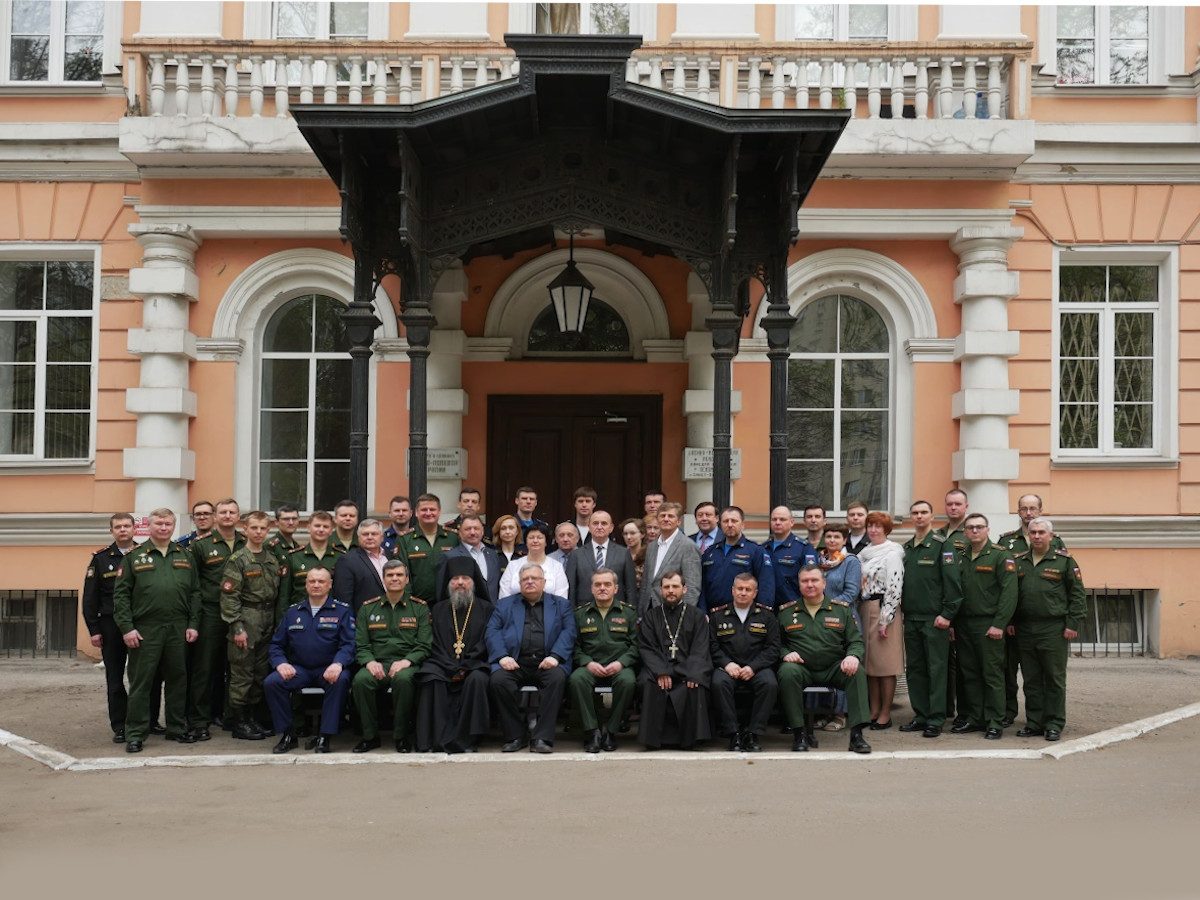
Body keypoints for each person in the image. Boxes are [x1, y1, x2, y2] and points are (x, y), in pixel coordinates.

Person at [112, 508, 199, 753]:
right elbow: (121, 596)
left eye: (168, 523)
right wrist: (127, 628)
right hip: (145, 628)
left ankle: (176, 728)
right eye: (159, 523)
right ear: (149, 527)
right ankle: (136, 733)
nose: (163, 527)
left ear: (173, 526)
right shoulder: (134, 557)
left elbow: (195, 593)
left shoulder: (185, 555)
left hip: (178, 627)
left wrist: (193, 624)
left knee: (178, 680)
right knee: (141, 682)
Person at [777, 566, 872, 754]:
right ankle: (799, 734)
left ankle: (857, 736)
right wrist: (784, 653)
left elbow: (856, 641)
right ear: (799, 584)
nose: (810, 585)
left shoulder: (841, 611)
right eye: (805, 581)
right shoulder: (786, 612)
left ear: (824, 583)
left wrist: (852, 656)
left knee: (857, 671)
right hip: (801, 668)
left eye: (814, 580)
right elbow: (775, 644)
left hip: (834, 667)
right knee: (786, 672)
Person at [486, 563, 576, 753]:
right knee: (498, 680)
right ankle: (516, 735)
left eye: (534, 578)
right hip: (515, 661)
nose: (529, 582)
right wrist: (502, 657)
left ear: (544, 582)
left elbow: (569, 632)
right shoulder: (504, 605)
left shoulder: (561, 605)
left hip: (547, 661)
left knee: (557, 678)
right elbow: (492, 631)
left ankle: (542, 737)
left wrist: (556, 656)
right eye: (525, 579)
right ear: (519, 583)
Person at [265, 567, 355, 754]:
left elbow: (349, 644)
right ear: (306, 585)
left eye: (321, 581)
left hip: (329, 668)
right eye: (312, 581)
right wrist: (281, 663)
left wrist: (338, 664)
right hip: (300, 669)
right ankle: (288, 734)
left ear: (330, 585)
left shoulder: (342, 611)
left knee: (341, 680)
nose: (316, 585)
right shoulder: (292, 612)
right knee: (272, 682)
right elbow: (276, 645)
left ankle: (325, 735)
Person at [998, 494, 1068, 728]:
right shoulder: (1007, 541)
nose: (1028, 513)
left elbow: (1066, 584)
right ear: (1018, 511)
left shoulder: (1056, 542)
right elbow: (1005, 585)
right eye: (1024, 509)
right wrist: (1006, 618)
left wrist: (1070, 622)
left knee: (1046, 675)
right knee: (1011, 670)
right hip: (1016, 621)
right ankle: (1009, 712)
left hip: (1047, 622)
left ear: (1040, 510)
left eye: (1033, 509)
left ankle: (1050, 719)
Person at [1013, 517, 1085, 741]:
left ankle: (1054, 723)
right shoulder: (1020, 561)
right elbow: (1012, 595)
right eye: (1033, 532)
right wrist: (1011, 622)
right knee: (1031, 678)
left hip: (1053, 628)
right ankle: (1035, 722)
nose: (1036, 536)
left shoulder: (1064, 561)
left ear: (1051, 536)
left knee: (1053, 678)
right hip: (1025, 628)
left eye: (1041, 532)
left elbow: (1077, 595)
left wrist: (1072, 623)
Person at [351, 559, 432, 753]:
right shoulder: (368, 608)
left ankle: (401, 736)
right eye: (390, 575)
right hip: (377, 663)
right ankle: (370, 736)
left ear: (406, 579)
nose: (394, 578)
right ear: (383, 579)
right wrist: (369, 662)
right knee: (360, 681)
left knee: (403, 680)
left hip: (407, 664)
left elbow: (424, 645)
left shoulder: (419, 608)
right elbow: (361, 644)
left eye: (399, 575)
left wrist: (406, 661)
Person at [416, 558, 494, 753]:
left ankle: (469, 739)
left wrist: (466, 665)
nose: (460, 582)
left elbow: (488, 641)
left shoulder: (486, 609)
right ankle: (435, 739)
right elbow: (433, 642)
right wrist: (450, 665)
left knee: (477, 679)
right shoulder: (438, 608)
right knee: (431, 677)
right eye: (455, 578)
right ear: (448, 582)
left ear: (473, 582)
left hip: (474, 664)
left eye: (465, 578)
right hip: (443, 664)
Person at [952, 513, 1018, 740]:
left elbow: (1009, 593)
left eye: (979, 527)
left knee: (992, 675)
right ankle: (975, 717)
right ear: (965, 532)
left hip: (989, 624)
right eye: (970, 528)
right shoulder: (961, 556)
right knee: (969, 673)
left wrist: (1000, 624)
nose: (974, 531)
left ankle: (994, 721)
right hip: (964, 624)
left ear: (987, 530)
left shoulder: (1000, 556)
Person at [899, 500, 962, 738]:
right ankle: (921, 715)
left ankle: (936, 718)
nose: (919, 516)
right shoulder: (905, 548)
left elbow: (953, 585)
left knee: (936, 669)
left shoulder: (942, 546)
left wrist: (947, 615)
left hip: (935, 620)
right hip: (911, 618)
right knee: (915, 669)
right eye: (914, 512)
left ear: (931, 516)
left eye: (924, 512)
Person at [219, 510, 282, 741]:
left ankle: (252, 717)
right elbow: (229, 597)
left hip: (267, 618)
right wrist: (237, 627)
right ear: (245, 529)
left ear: (268, 530)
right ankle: (238, 722)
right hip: (247, 618)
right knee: (242, 673)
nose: (258, 532)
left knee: (259, 673)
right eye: (254, 528)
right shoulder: (238, 560)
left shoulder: (271, 558)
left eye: (263, 528)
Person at [187, 497, 244, 735]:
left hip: (239, 612)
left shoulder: (246, 542)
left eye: (232, 512)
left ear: (238, 516)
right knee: (205, 667)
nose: (228, 516)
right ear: (215, 516)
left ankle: (227, 715)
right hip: (211, 611)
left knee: (235, 667)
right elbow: (193, 585)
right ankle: (199, 721)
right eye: (223, 512)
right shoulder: (201, 545)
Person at [637, 570, 711, 750]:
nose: (671, 590)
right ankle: (653, 739)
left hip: (688, 668)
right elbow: (646, 647)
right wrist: (661, 671)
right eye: (666, 587)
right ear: (660, 590)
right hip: (658, 668)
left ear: (684, 589)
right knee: (648, 682)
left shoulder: (697, 616)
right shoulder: (651, 616)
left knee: (695, 683)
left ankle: (690, 739)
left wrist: (691, 673)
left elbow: (700, 649)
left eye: (675, 586)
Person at [82, 513, 139, 743]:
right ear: (112, 531)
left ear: (135, 529)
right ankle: (120, 726)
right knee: (115, 679)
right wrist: (94, 629)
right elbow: (89, 598)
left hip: (139, 624)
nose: (123, 530)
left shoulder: (144, 554)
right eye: (118, 527)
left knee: (143, 678)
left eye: (127, 526)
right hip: (110, 626)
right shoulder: (101, 559)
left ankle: (146, 721)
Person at [569, 568, 639, 753]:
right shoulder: (580, 614)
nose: (602, 588)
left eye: (607, 584)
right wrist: (587, 663)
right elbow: (574, 647)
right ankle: (592, 731)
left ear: (616, 588)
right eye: (597, 584)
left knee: (628, 681)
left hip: (619, 666)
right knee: (577, 679)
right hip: (590, 666)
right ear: (591, 588)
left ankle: (611, 731)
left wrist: (621, 663)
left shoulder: (629, 613)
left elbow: (636, 645)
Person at [709, 573, 781, 752]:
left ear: (755, 593)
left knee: (770, 683)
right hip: (727, 667)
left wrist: (753, 667)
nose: (743, 592)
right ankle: (733, 734)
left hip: (757, 667)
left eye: (748, 589)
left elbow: (773, 648)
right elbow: (711, 646)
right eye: (739, 589)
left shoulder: (767, 616)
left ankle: (753, 734)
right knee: (718, 683)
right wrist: (727, 664)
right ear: (732, 590)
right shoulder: (718, 616)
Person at [858, 511, 906, 729]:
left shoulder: (892, 553)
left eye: (878, 526)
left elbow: (895, 588)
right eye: (870, 526)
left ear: (886, 529)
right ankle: (873, 709)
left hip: (885, 610)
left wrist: (886, 619)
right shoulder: (864, 553)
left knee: (885, 665)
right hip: (865, 608)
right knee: (870, 664)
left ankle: (886, 712)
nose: (873, 530)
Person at [700, 505, 774, 612]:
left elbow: (766, 585)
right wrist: (702, 611)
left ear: (743, 525)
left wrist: (762, 613)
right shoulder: (710, 552)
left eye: (734, 521)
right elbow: (702, 585)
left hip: (744, 614)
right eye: (726, 521)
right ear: (720, 524)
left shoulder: (756, 551)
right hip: (713, 615)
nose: (729, 525)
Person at [941, 488, 971, 729]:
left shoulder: (971, 532)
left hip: (967, 606)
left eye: (958, 504)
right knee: (946, 661)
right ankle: (946, 707)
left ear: (966, 506)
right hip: (944, 606)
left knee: (965, 663)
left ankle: (966, 711)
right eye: (949, 504)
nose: (953, 508)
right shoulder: (940, 533)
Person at [395, 493, 460, 604]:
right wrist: (409, 602)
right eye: (424, 509)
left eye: (432, 509)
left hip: (448, 602)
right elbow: (402, 574)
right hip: (417, 604)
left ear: (439, 512)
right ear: (416, 512)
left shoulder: (453, 537)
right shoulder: (405, 539)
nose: (428, 513)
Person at [565, 509, 638, 608]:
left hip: (617, 612)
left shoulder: (623, 553)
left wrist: (631, 613)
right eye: (595, 523)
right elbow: (571, 589)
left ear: (611, 528)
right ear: (589, 527)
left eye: (604, 523)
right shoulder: (576, 555)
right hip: (585, 612)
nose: (599, 527)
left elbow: (631, 588)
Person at [639, 502, 701, 613]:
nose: (666, 519)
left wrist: (683, 614)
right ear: (657, 519)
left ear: (678, 521)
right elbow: (646, 582)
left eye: (671, 516)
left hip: (674, 610)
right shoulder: (652, 546)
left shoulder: (688, 546)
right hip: (649, 611)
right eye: (662, 516)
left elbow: (692, 586)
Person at [279, 510, 343, 616]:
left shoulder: (341, 557)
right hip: (299, 615)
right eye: (317, 526)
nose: (321, 530)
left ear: (331, 530)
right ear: (308, 527)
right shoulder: (294, 557)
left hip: (332, 616)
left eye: (325, 526)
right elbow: (284, 596)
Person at [435, 513, 501, 604]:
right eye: (468, 529)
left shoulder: (493, 555)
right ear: (460, 533)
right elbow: (441, 592)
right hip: (467, 613)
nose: (473, 532)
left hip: (493, 612)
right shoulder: (450, 557)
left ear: (482, 531)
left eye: (476, 528)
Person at [765, 506, 818, 612]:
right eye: (774, 519)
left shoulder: (804, 548)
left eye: (782, 519)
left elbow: (810, 580)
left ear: (792, 522)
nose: (777, 522)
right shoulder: (763, 548)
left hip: (794, 608)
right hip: (767, 609)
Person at [333, 519, 390, 614]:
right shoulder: (347, 561)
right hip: (364, 620)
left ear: (382, 537)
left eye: (374, 534)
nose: (370, 537)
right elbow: (343, 598)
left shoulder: (391, 556)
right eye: (365, 534)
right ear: (358, 537)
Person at [498, 522, 567, 600]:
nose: (535, 541)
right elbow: (504, 596)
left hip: (549, 610)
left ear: (546, 542)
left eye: (539, 537)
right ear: (526, 542)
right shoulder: (513, 565)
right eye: (531, 537)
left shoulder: (557, 567)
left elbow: (561, 598)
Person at [490, 514, 527, 579]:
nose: (507, 532)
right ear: (498, 532)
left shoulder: (524, 556)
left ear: (517, 531)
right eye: (503, 528)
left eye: (511, 528)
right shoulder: (491, 556)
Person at [620, 517, 647, 590]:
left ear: (642, 534)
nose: (628, 537)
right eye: (625, 534)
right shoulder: (619, 555)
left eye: (632, 533)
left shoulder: (649, 556)